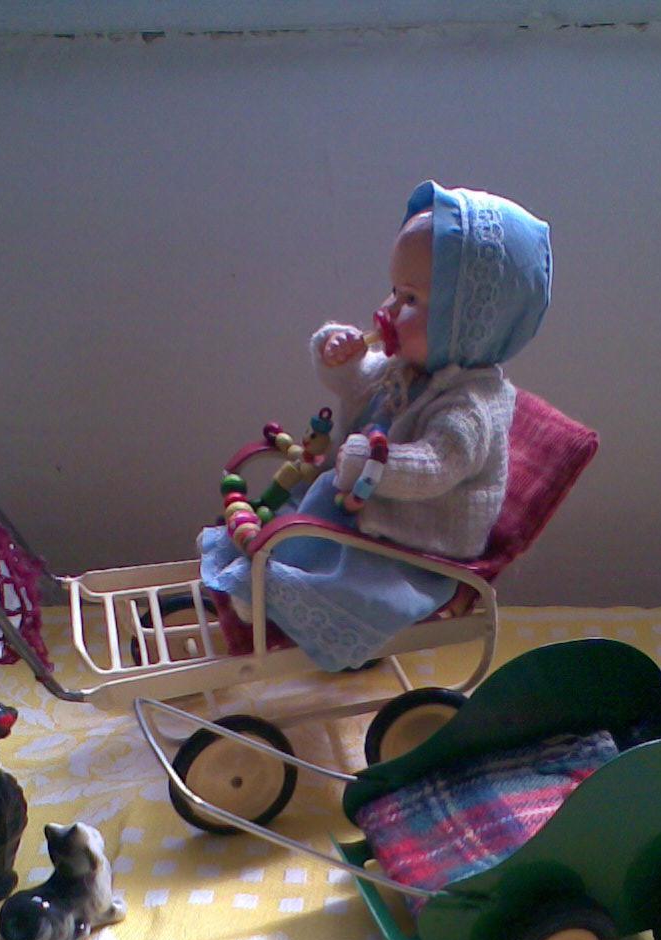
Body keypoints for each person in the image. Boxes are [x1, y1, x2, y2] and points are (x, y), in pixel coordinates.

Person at [199, 179, 552, 671]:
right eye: (393, 291)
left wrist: (374, 464)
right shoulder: (408, 367)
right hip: (362, 512)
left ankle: (275, 594)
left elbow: (437, 464)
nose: (386, 311)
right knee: (306, 515)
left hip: (414, 550)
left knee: (344, 572)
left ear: (467, 324)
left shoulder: (471, 406)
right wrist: (340, 360)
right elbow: (359, 385)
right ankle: (263, 576)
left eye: (410, 299)